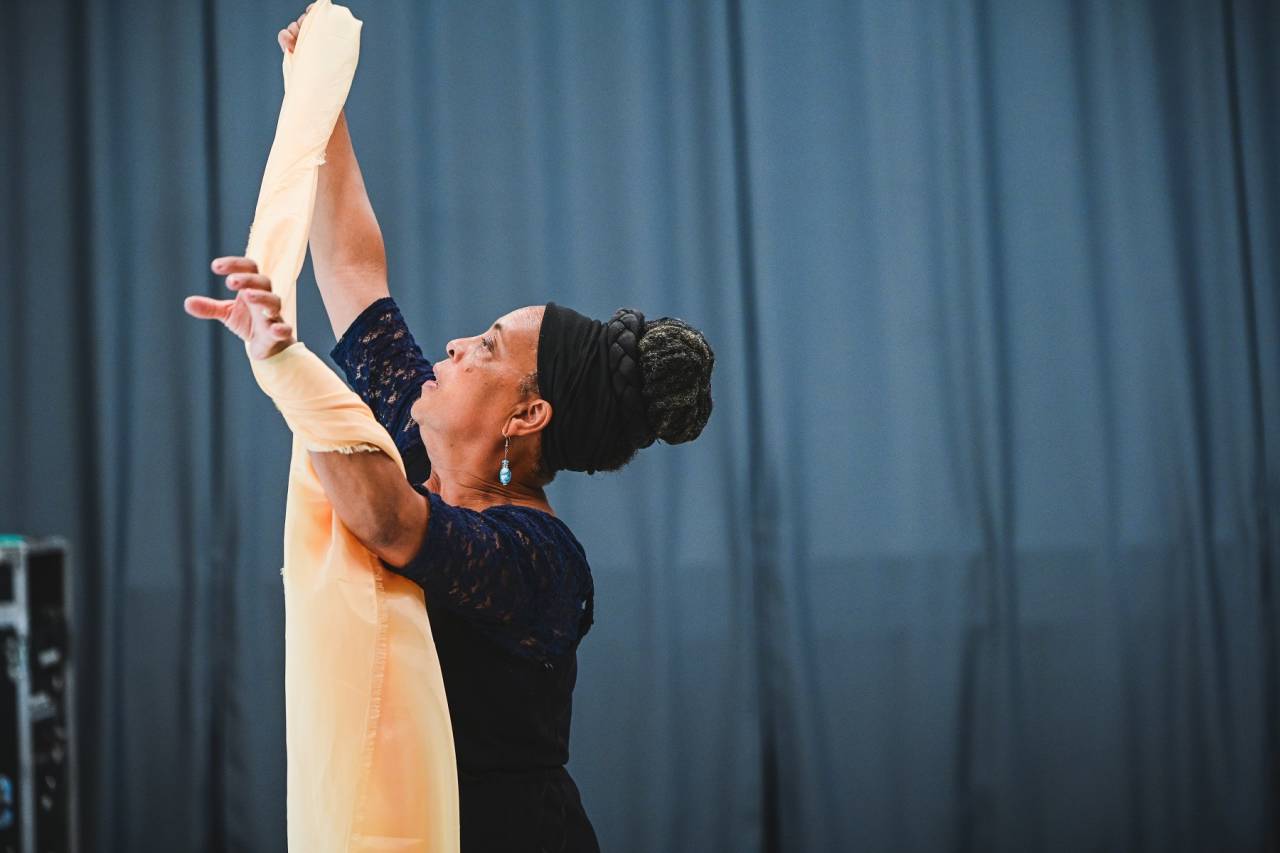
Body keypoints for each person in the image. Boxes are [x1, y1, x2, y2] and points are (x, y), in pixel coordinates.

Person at [181, 10, 716, 851]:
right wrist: (319, 98)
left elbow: (389, 521)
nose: (458, 343)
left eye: (490, 348)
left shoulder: (545, 564)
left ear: (526, 414)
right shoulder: (414, 436)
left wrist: (286, 368)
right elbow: (355, 266)